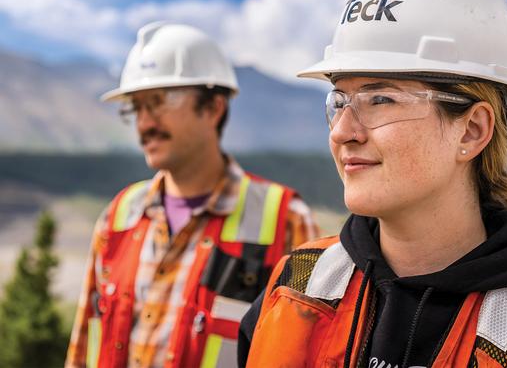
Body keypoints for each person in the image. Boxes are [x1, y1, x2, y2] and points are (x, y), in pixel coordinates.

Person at [239, 0, 507, 368]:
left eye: (381, 99)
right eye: (339, 102)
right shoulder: (296, 285)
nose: (343, 131)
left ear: (471, 130)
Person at [65, 22, 319, 368]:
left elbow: (307, 352)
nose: (144, 123)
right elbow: (82, 348)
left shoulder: (286, 220)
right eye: (136, 108)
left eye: (157, 103)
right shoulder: (119, 215)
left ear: (214, 107)